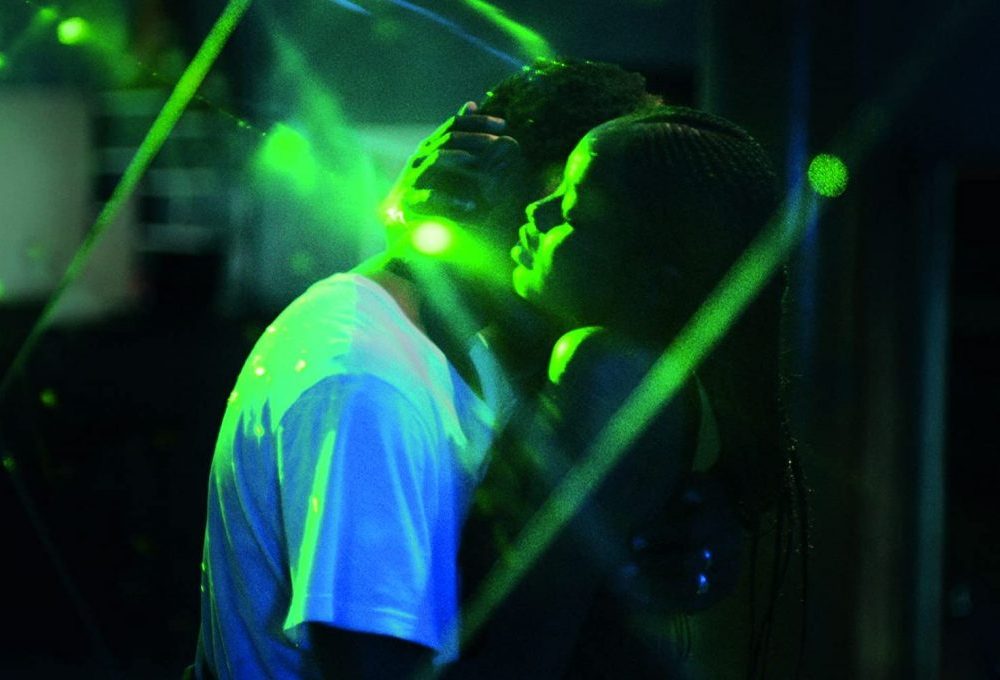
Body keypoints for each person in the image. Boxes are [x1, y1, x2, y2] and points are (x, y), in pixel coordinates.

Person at [193, 60, 745, 680]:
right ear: (478, 182)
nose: (548, 220)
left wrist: (674, 532)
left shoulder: (485, 353)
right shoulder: (368, 385)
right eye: (574, 204)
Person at [461, 105, 802, 678]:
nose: (537, 211)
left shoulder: (603, 366)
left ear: (655, 275)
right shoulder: (670, 381)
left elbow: (531, 624)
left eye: (572, 210)